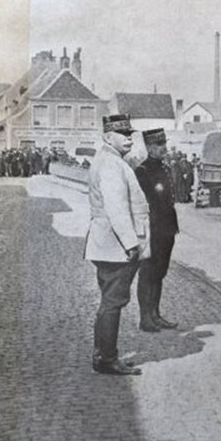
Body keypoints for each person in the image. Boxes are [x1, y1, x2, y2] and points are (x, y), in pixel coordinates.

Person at [84, 114, 150, 376]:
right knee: (113, 301)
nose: (129, 139)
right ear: (107, 137)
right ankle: (107, 359)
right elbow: (117, 208)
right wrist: (131, 243)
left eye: (130, 134)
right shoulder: (111, 165)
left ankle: (102, 354)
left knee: (109, 301)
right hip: (116, 246)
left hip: (107, 243)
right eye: (123, 135)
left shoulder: (109, 160)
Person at [134, 129, 180, 334]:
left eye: (165, 144)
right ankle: (145, 318)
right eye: (160, 145)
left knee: (160, 272)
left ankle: (156, 314)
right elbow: (143, 203)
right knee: (148, 273)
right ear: (150, 148)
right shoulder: (143, 171)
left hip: (167, 228)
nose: (165, 148)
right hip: (152, 229)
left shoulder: (164, 167)